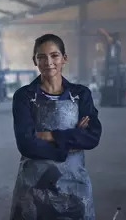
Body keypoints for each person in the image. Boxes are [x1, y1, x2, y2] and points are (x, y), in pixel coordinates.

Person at [9, 34, 102, 220]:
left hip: (74, 185)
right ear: (34, 61)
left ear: (64, 58)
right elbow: (26, 144)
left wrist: (49, 136)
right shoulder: (24, 96)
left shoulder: (80, 94)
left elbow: (92, 137)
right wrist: (73, 138)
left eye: (54, 55)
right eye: (41, 56)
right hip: (33, 186)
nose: (48, 62)